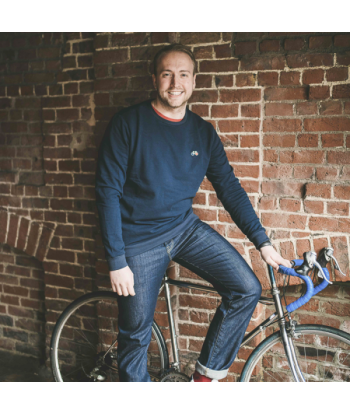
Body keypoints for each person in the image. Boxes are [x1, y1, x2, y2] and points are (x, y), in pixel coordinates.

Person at [95, 43, 292, 382]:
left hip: (184, 229)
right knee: (136, 334)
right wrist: (117, 260)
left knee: (246, 287)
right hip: (139, 241)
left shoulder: (202, 131)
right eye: (167, 74)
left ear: (194, 80)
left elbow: (229, 189)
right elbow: (107, 192)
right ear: (155, 78)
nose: (175, 83)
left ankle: (203, 381)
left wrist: (263, 243)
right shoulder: (128, 124)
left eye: (183, 75)